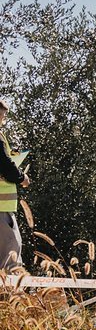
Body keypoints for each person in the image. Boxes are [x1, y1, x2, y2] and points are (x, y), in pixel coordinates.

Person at [0, 98, 31, 271]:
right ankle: (10, 296)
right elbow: (4, 163)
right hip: (1, 208)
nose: (2, 120)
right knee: (11, 255)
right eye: (1, 116)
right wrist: (21, 177)